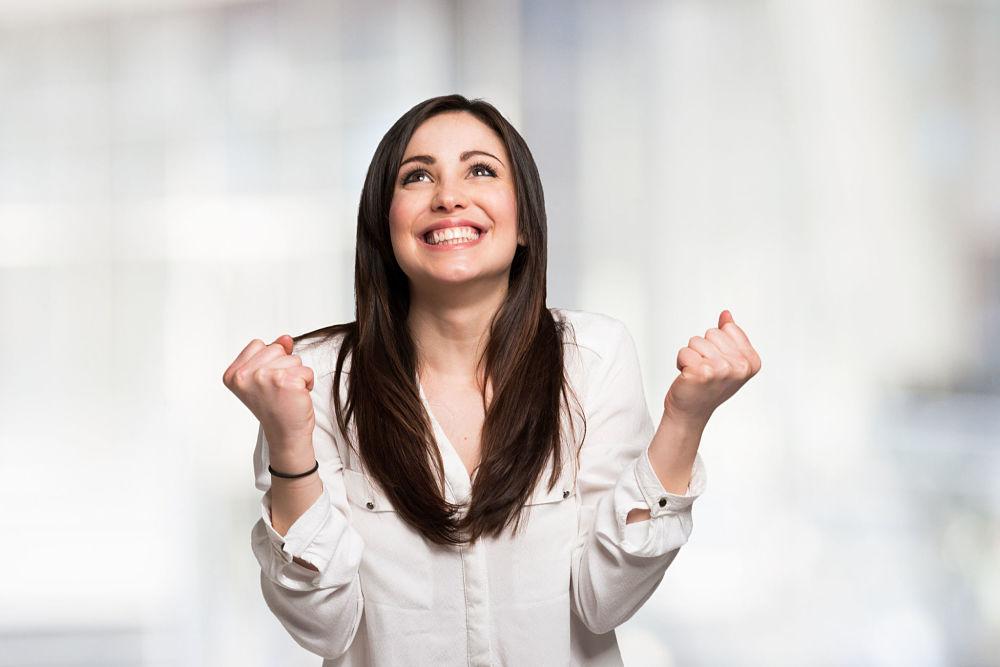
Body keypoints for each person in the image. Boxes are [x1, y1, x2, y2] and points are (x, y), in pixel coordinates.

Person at [222, 94, 761, 666]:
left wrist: (686, 419)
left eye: (480, 170)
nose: (449, 196)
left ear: (525, 222)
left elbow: (605, 601)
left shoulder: (593, 358)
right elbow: (323, 627)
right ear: (385, 227)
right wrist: (287, 439)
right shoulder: (317, 378)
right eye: (417, 176)